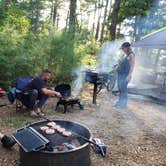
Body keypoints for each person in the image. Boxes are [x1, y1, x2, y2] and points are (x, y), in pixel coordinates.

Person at [115, 42, 135, 109]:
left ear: (127, 48)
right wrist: (116, 65)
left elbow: (132, 66)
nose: (122, 49)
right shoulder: (126, 55)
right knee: (120, 89)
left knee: (123, 90)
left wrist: (129, 76)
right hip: (120, 75)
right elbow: (121, 64)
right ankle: (120, 102)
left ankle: (123, 104)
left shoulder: (131, 55)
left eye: (123, 48)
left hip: (125, 75)